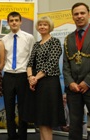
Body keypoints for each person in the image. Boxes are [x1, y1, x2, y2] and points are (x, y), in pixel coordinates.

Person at [26, 16, 65, 140]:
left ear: (50, 27)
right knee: (40, 118)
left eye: (45, 25)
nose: (42, 27)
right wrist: (30, 77)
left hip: (49, 83)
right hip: (36, 84)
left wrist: (35, 78)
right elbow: (30, 63)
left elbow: (51, 63)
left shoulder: (55, 42)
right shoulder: (36, 44)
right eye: (40, 24)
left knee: (47, 119)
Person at [1, 11, 35, 140]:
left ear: (21, 22)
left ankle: (22, 136)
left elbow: (32, 59)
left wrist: (31, 76)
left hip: (23, 76)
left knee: (23, 108)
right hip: (8, 76)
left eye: (16, 20)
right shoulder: (3, 40)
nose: (14, 22)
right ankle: (11, 136)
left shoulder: (29, 38)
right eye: (11, 20)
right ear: (8, 23)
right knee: (9, 109)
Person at [63, 2, 90, 140]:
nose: (79, 16)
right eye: (76, 14)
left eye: (82, 13)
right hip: (73, 89)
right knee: (74, 124)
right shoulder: (68, 39)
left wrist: (87, 82)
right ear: (72, 17)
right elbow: (65, 64)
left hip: (89, 86)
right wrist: (70, 83)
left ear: (88, 14)